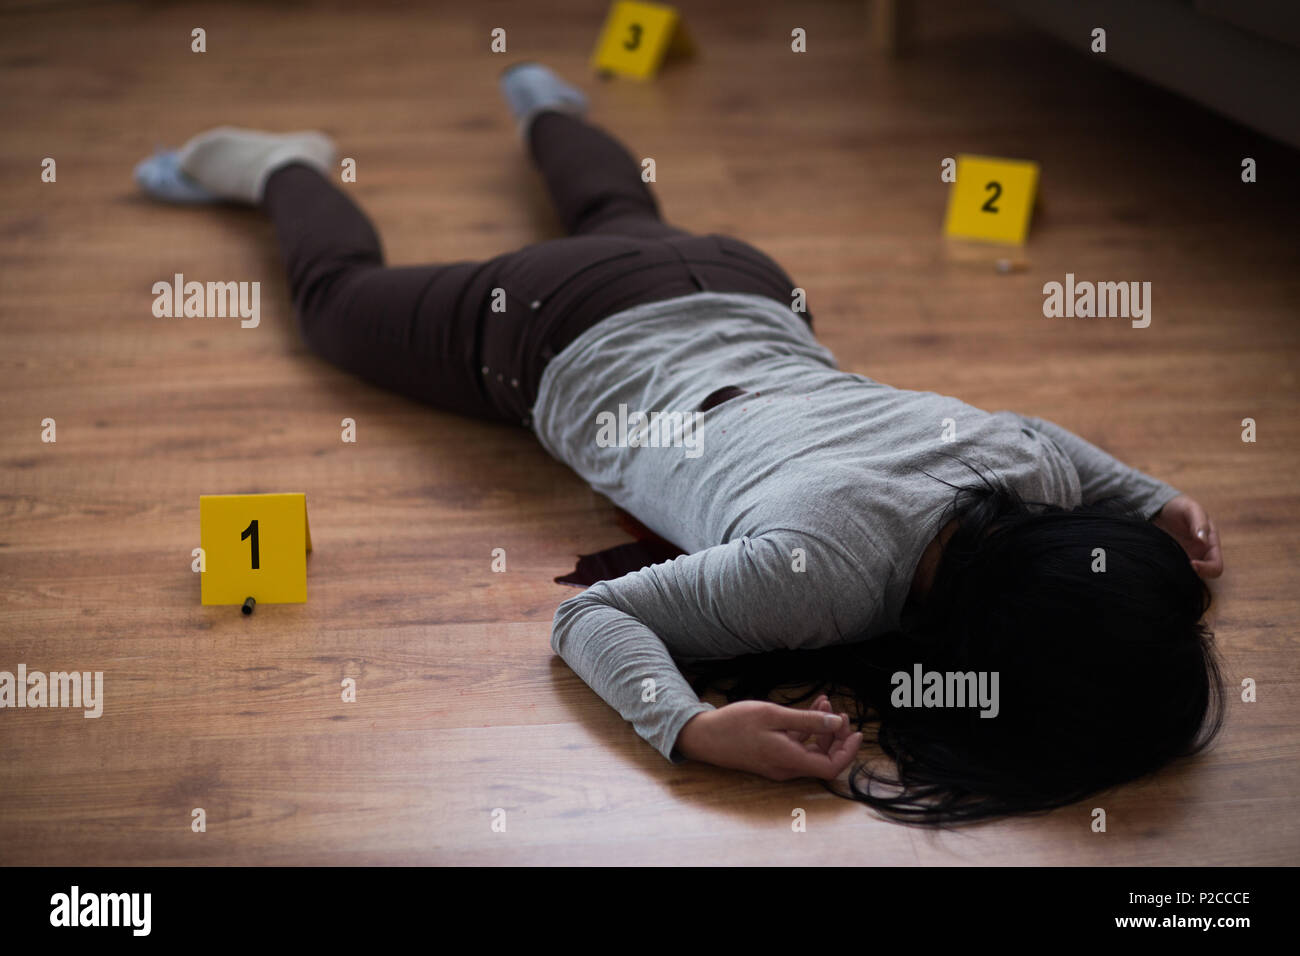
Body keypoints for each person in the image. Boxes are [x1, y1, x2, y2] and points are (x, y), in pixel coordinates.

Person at [136, 64, 1225, 824]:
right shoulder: (823, 578)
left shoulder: (1023, 475)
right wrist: (690, 726)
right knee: (334, 304)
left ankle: (546, 102)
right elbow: (588, 614)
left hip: (742, 280)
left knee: (620, 206)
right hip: (548, 328)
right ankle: (282, 163)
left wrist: (1153, 500)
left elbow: (1063, 450)